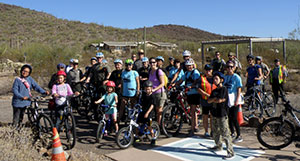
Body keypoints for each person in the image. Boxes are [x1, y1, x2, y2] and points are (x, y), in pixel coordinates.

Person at [208, 72, 235, 160]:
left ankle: (230, 151)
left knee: (225, 133)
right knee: (216, 131)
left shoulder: (224, 89)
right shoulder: (214, 91)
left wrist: (214, 100)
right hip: (214, 113)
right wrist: (214, 99)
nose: (214, 80)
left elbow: (220, 100)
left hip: (222, 114)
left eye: (216, 79)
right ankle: (218, 145)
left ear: (221, 80)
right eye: (214, 79)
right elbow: (209, 100)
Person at [174, 59, 201, 136]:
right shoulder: (186, 73)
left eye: (190, 65)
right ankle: (194, 125)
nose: (189, 67)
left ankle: (193, 128)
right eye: (187, 66)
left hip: (195, 93)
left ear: (192, 65)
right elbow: (181, 80)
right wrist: (174, 84)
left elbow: (196, 81)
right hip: (189, 93)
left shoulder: (195, 72)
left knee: (193, 111)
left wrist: (191, 86)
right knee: (192, 110)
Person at [224, 61, 243, 143]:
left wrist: (237, 100)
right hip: (227, 98)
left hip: (234, 97)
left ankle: (239, 135)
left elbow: (239, 89)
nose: (229, 68)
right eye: (228, 67)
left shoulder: (236, 77)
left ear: (234, 68)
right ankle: (232, 132)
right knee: (229, 117)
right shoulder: (225, 77)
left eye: (231, 67)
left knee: (234, 117)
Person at [197, 64, 216, 137]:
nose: (208, 72)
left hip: (213, 100)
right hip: (205, 100)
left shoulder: (215, 78)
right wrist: (205, 94)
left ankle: (212, 131)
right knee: (205, 116)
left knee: (212, 116)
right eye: (207, 70)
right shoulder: (202, 78)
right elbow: (198, 88)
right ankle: (206, 131)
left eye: (210, 70)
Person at [135, 80, 156, 145]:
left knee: (149, 126)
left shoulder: (152, 96)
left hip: (149, 113)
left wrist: (147, 113)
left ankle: (153, 138)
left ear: (151, 89)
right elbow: (140, 102)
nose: (147, 91)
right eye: (146, 89)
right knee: (137, 124)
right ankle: (137, 136)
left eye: (148, 89)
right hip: (143, 111)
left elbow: (152, 106)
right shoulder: (143, 95)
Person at [148, 57, 167, 125]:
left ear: (156, 63)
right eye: (150, 62)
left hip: (160, 93)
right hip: (153, 93)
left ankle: (159, 126)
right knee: (155, 110)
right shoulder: (150, 71)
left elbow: (162, 83)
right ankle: (157, 125)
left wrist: (154, 89)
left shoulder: (159, 71)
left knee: (159, 111)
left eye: (153, 62)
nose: (152, 64)